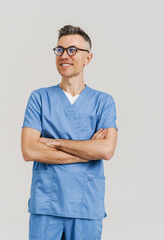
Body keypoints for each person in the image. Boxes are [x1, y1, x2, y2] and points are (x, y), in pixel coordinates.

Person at [21, 25, 118, 240]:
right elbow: (29, 150)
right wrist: (86, 152)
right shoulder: (39, 98)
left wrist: (54, 143)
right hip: (47, 204)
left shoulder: (103, 102)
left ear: (88, 58)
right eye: (60, 50)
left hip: (86, 205)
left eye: (73, 50)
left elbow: (106, 149)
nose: (65, 55)